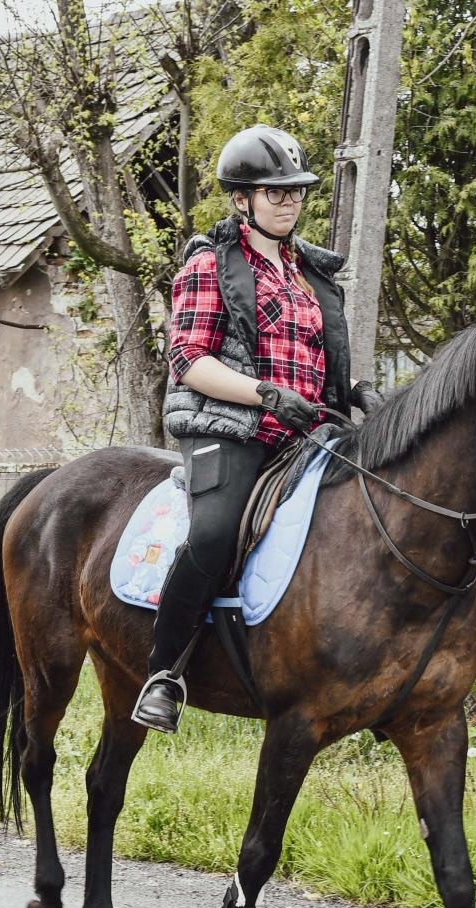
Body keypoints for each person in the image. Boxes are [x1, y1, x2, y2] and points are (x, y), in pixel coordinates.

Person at [131, 125, 380, 734]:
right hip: (227, 425)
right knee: (215, 532)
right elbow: (190, 360)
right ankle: (165, 673)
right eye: (275, 192)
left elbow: (318, 364)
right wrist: (266, 394)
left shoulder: (313, 275)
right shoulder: (208, 264)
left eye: (295, 192)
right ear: (241, 199)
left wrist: (359, 395)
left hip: (307, 429)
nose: (289, 202)